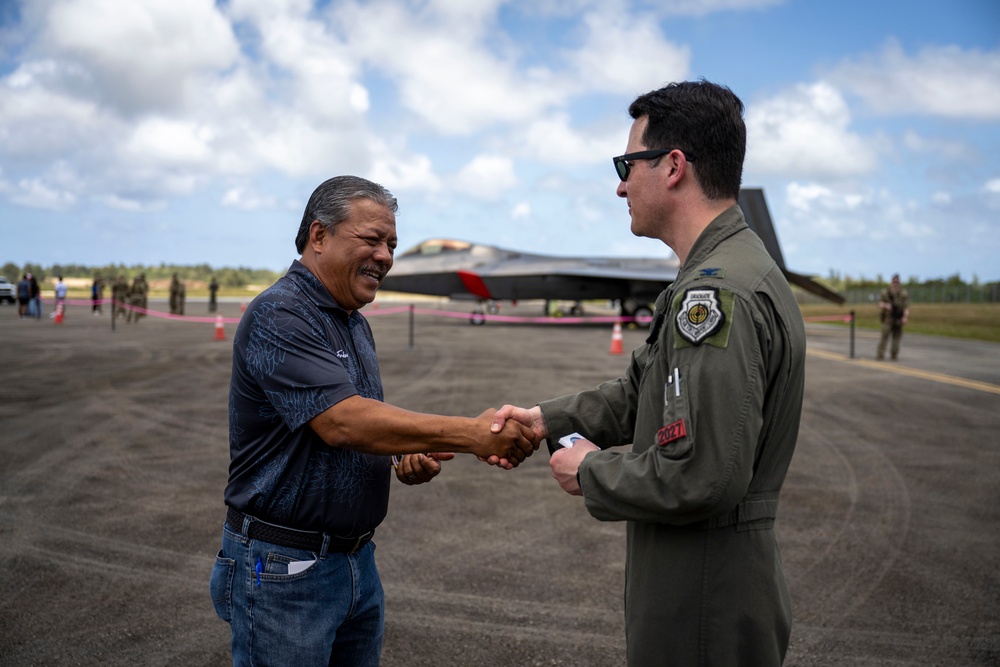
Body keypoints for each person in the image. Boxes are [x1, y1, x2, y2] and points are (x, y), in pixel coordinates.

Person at [491, 81, 806, 666]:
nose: (619, 185)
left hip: (702, 597)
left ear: (674, 167)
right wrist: (543, 421)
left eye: (627, 163)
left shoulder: (715, 293)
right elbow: (643, 394)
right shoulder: (712, 276)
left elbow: (705, 474)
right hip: (700, 582)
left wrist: (592, 470)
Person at [209, 175, 538, 667]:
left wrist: (401, 453)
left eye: (391, 244)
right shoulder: (280, 314)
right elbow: (342, 422)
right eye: (371, 240)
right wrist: (474, 434)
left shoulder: (354, 322)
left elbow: (360, 422)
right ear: (319, 237)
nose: (385, 256)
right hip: (284, 568)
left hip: (355, 561)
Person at [877, 274, 909, 361]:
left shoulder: (903, 293)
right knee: (884, 336)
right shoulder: (885, 292)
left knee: (896, 338)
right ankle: (880, 355)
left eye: (897, 282)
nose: (895, 284)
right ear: (891, 282)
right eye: (894, 282)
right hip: (888, 318)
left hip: (898, 318)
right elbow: (879, 304)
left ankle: (894, 355)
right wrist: (886, 305)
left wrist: (905, 317)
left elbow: (906, 307)